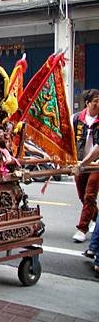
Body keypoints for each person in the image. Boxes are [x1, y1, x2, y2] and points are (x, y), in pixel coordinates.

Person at [72, 89, 99, 242]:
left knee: (90, 196)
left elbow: (98, 148)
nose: (98, 104)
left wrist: (84, 164)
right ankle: (96, 217)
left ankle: (82, 229)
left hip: (96, 164)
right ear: (87, 103)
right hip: (79, 162)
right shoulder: (76, 119)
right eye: (96, 100)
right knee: (82, 196)